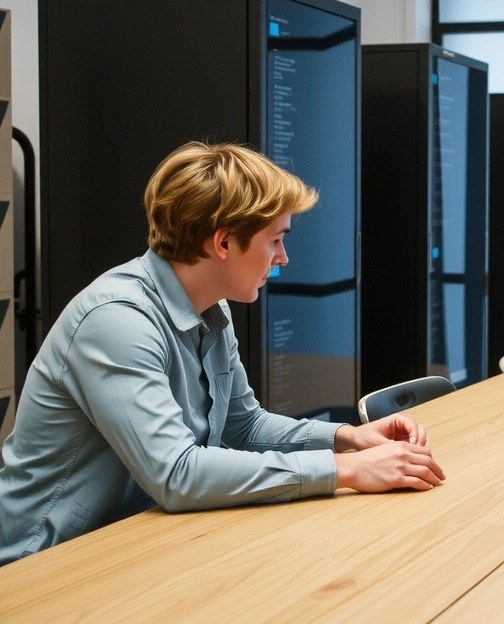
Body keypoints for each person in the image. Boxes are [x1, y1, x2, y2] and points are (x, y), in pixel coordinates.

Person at [0, 142, 445, 565]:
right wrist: (344, 469)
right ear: (224, 243)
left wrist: (348, 438)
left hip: (131, 545)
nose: (283, 257)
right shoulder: (116, 322)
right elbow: (176, 475)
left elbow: (242, 425)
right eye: (275, 240)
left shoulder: (211, 309)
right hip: (38, 566)